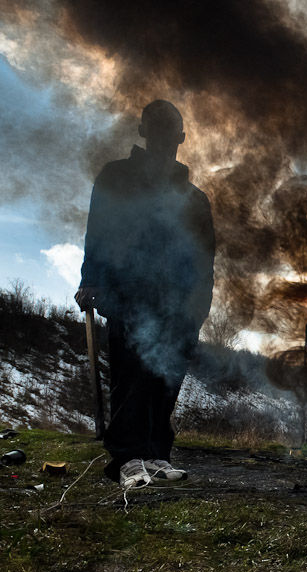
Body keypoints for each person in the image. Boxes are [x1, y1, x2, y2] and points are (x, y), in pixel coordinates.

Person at [75, 100, 215, 488]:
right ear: (143, 132)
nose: (164, 136)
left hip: (179, 303)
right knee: (131, 376)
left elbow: (205, 260)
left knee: (166, 380)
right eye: (156, 128)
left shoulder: (195, 199)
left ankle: (156, 455)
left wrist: (198, 307)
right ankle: (128, 459)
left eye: (171, 129)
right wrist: (91, 279)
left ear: (181, 137)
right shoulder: (116, 177)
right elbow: (97, 231)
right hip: (129, 294)